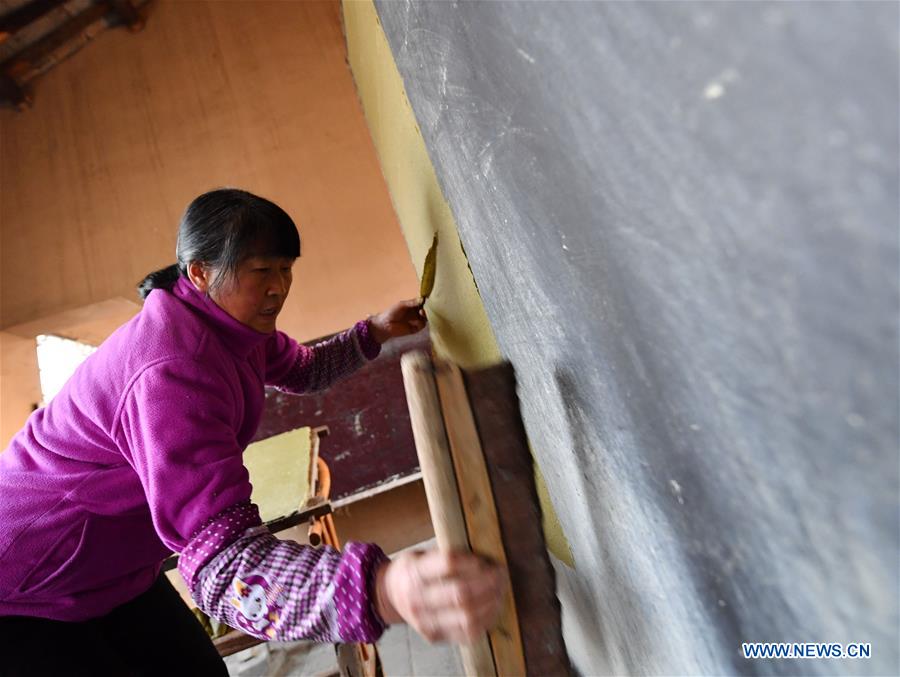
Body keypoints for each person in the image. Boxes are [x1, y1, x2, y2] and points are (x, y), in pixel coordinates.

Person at [0, 189, 504, 675]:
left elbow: (302, 368)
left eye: (285, 270)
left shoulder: (229, 325)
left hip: (110, 569)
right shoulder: (170, 372)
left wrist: (372, 332)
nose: (279, 287)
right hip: (23, 586)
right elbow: (222, 565)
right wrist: (382, 590)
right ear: (199, 272)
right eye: (262, 271)